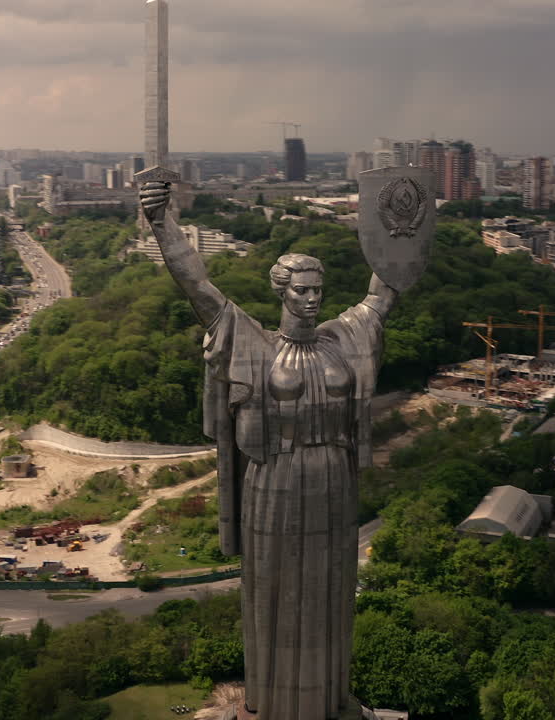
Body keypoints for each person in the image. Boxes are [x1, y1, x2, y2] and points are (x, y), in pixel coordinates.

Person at [140, 182, 400, 720]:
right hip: (273, 479)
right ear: (281, 291)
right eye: (300, 290)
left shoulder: (343, 338)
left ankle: (330, 702)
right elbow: (197, 284)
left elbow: (385, 290)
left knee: (331, 591)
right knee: (273, 593)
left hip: (332, 476)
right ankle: (275, 707)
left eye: (317, 288)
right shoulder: (252, 342)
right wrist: (162, 222)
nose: (311, 298)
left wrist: (401, 227)